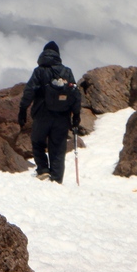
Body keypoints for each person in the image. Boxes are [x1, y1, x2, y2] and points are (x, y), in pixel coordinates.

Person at [18, 41, 82, 183]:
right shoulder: (67, 72)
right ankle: (57, 180)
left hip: (42, 114)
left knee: (37, 142)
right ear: (58, 55)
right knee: (58, 148)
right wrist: (76, 115)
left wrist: (23, 109)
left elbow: (29, 91)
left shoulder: (39, 71)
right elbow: (76, 94)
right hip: (62, 117)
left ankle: (43, 171)